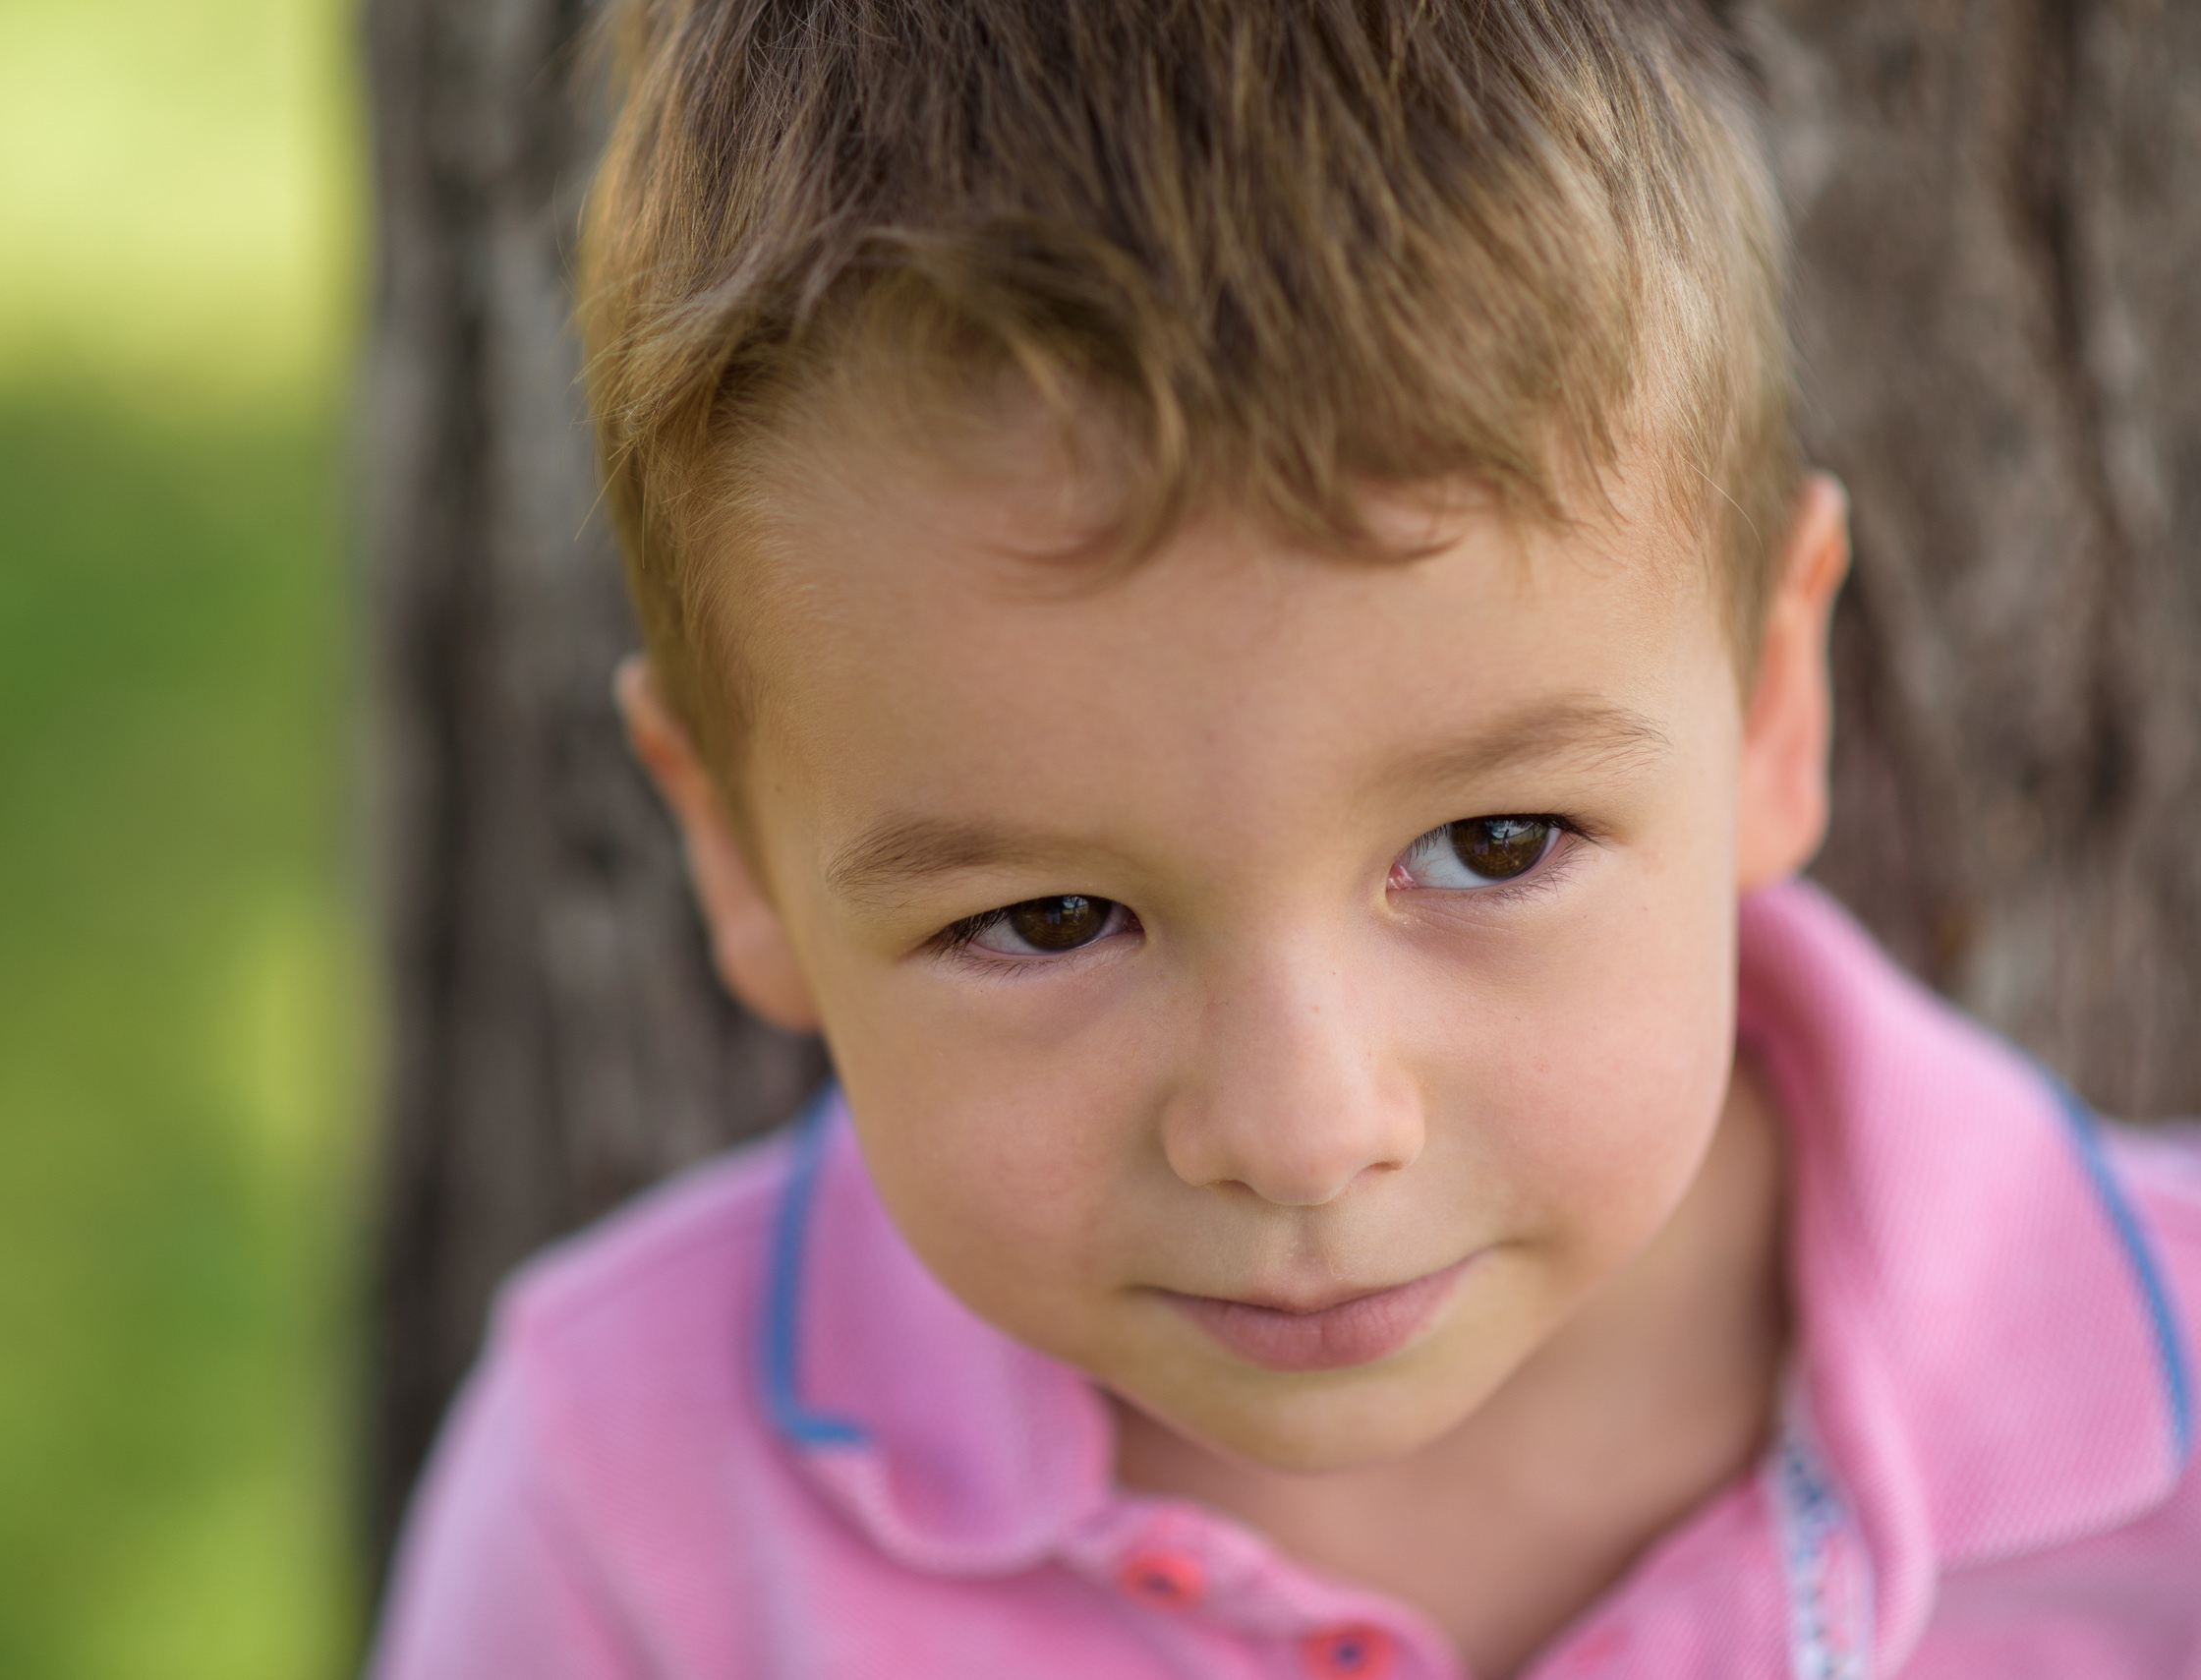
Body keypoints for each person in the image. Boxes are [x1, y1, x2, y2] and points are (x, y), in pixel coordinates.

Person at [368, 1, 2201, 1674]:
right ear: (739, 859)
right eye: (1055, 916)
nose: (1303, 1133)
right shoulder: (627, 1511)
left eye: (1492, 846)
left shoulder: (2166, 1474)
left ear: (1775, 709)